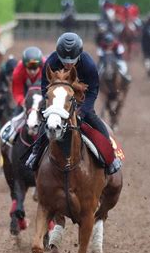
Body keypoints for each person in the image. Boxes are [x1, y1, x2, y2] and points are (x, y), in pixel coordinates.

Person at [25, 32, 122, 175]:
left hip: (82, 101)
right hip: (57, 102)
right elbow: (45, 87)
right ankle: (35, 153)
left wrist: (83, 111)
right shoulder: (51, 63)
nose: (68, 63)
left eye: (72, 60)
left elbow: (93, 91)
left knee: (93, 119)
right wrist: (51, 107)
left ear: (79, 55)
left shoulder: (88, 64)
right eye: (64, 60)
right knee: (47, 121)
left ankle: (111, 156)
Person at [0, 47, 44, 143]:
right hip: (26, 96)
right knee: (15, 118)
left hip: (42, 97)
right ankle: (9, 136)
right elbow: (17, 91)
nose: (32, 72)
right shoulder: (18, 72)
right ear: (24, 66)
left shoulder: (46, 68)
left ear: (40, 65)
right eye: (29, 68)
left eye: (35, 68)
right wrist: (23, 102)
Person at [0, 56, 18, 132]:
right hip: (7, 92)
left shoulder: (20, 73)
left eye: (14, 72)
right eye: (10, 73)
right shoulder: (3, 73)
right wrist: (4, 89)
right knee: (1, 100)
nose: (12, 75)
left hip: (18, 91)